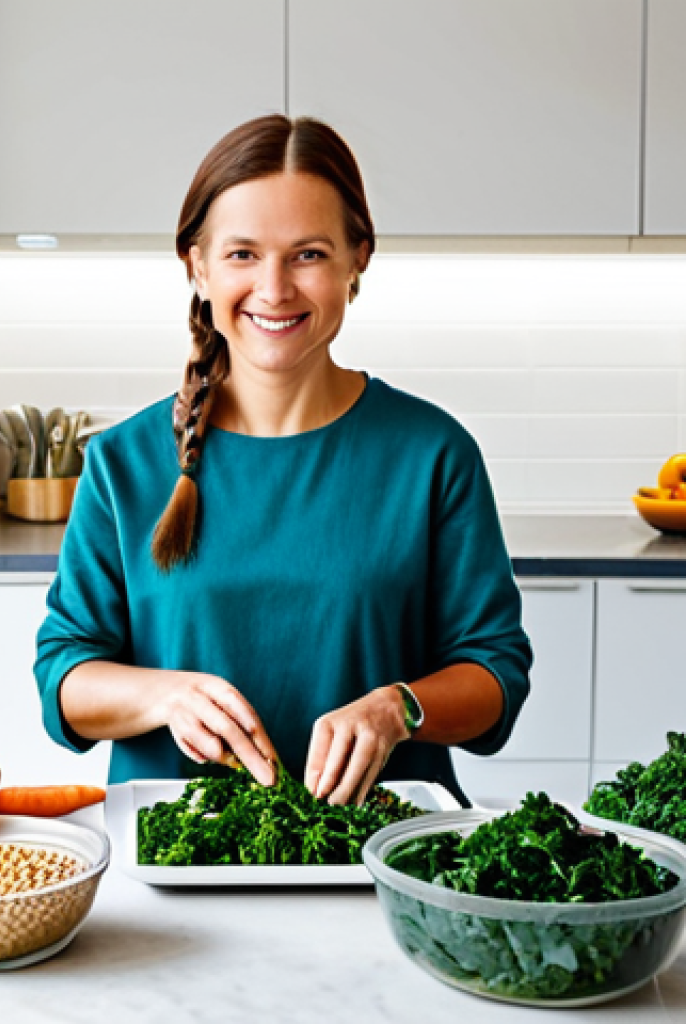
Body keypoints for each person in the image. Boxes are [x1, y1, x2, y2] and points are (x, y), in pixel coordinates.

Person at [34, 114, 532, 805]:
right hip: (176, 855)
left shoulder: (433, 454)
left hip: (383, 858)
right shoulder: (123, 463)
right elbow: (64, 675)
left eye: (309, 254)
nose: (274, 289)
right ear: (196, 265)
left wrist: (400, 707)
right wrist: (165, 696)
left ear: (358, 260)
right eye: (242, 254)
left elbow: (494, 672)